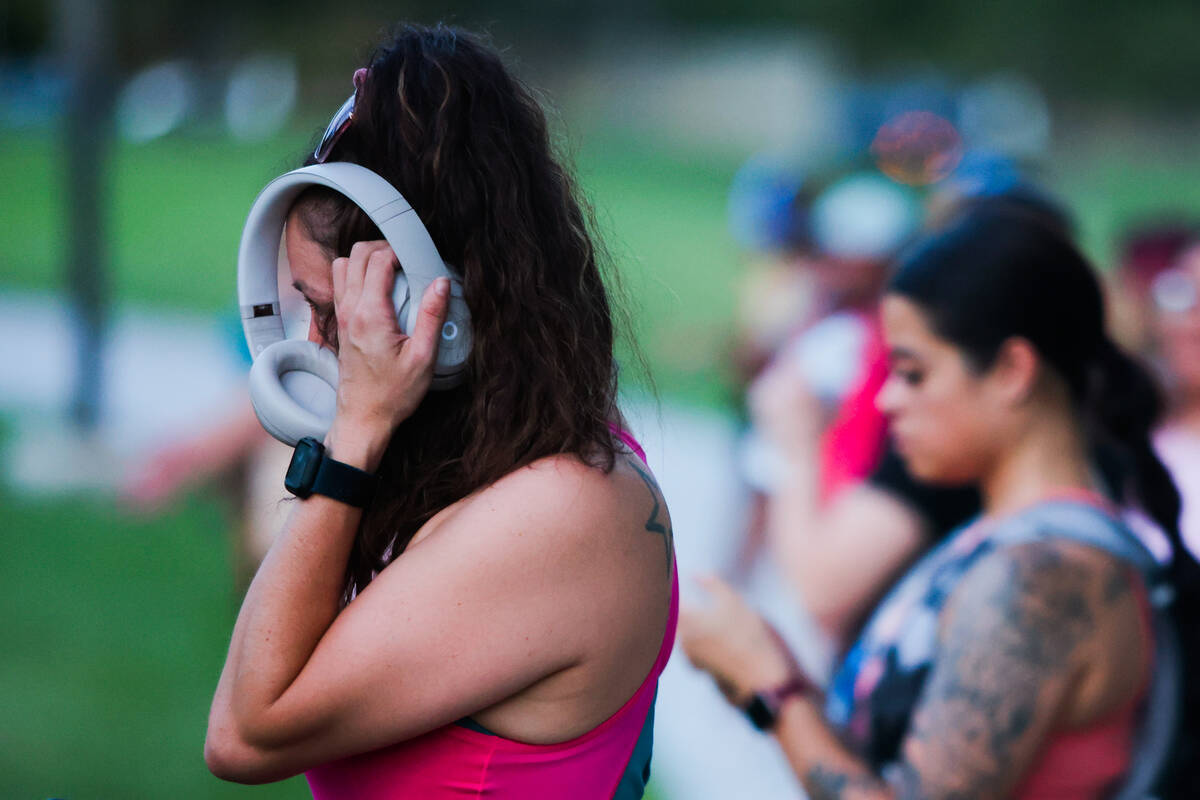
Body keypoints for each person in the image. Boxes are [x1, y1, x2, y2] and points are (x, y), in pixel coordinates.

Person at [203, 24, 676, 798]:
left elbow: (244, 734)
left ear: (443, 316)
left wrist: (352, 436)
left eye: (337, 314)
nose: (320, 347)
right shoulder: (501, 455)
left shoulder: (565, 509)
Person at [680, 208, 1199, 797]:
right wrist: (779, 668)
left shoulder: (1042, 579)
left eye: (913, 373)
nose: (887, 400)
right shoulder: (1012, 539)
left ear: (1011, 370)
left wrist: (772, 689)